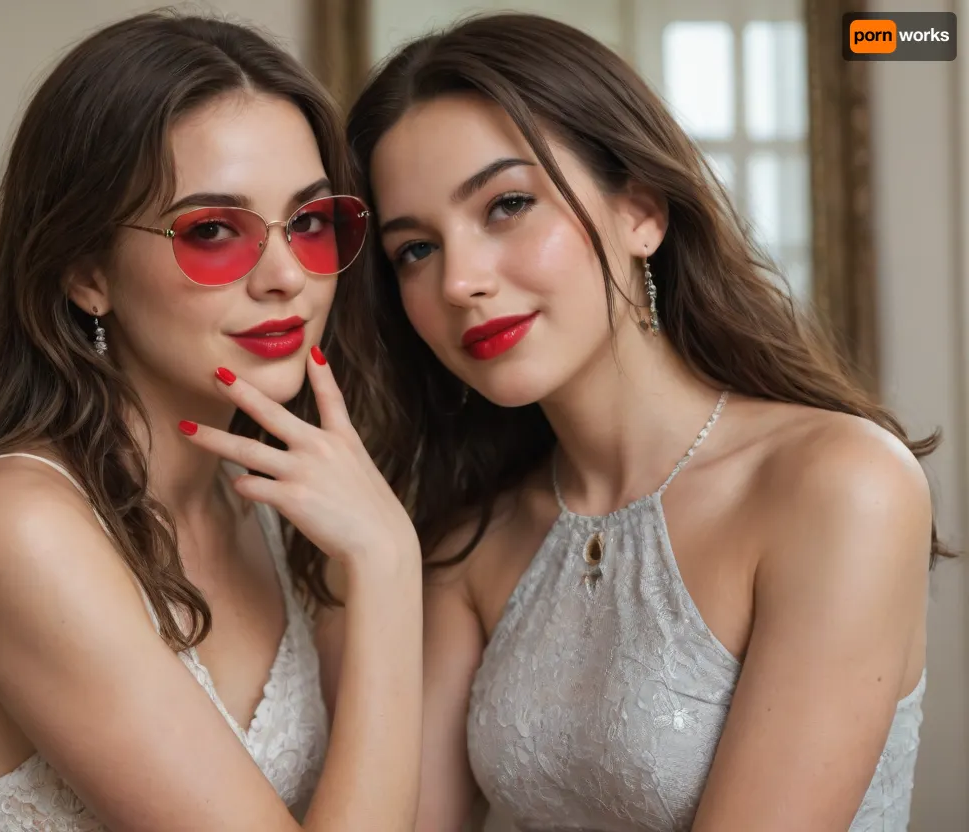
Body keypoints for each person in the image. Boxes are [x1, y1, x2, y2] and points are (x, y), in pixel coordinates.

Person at [332, 12, 944, 832]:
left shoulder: (840, 485)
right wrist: (378, 564)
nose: (460, 281)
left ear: (642, 212)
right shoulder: (471, 543)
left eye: (507, 204)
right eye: (416, 250)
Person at [0, 11, 422, 831]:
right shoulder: (18, 526)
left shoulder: (267, 497)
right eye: (214, 230)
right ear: (88, 273)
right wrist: (389, 565)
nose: (285, 277)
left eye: (307, 222)